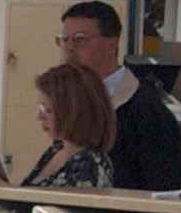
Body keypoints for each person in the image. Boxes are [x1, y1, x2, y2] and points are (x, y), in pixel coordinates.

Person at [57, 0, 181, 191]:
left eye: (80, 39)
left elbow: (172, 189)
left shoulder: (146, 111)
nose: (69, 48)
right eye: (64, 39)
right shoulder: (74, 103)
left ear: (111, 45)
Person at [20, 62, 116, 190]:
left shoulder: (90, 165)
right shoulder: (57, 149)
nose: (40, 117)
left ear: (73, 112)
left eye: (48, 110)